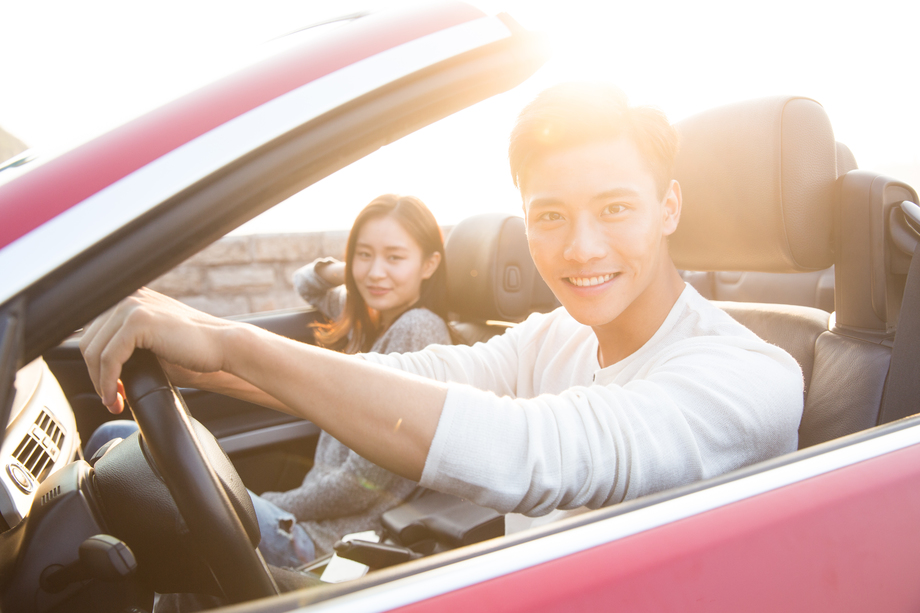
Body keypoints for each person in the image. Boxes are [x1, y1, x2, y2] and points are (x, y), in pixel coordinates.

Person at [80, 82, 803, 530]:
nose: (581, 247)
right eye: (550, 216)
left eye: (615, 207)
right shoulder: (555, 337)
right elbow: (411, 377)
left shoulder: (749, 377)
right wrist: (198, 337)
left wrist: (233, 347)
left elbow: (529, 452)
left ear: (668, 207)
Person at [86, 194, 452, 569]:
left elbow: (359, 485)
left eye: (395, 257)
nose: (376, 271)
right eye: (364, 254)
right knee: (119, 442)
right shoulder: (372, 316)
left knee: (114, 441)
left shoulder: (417, 327)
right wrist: (362, 274)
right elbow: (307, 282)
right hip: (305, 522)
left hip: (324, 541)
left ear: (429, 264)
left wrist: (277, 505)